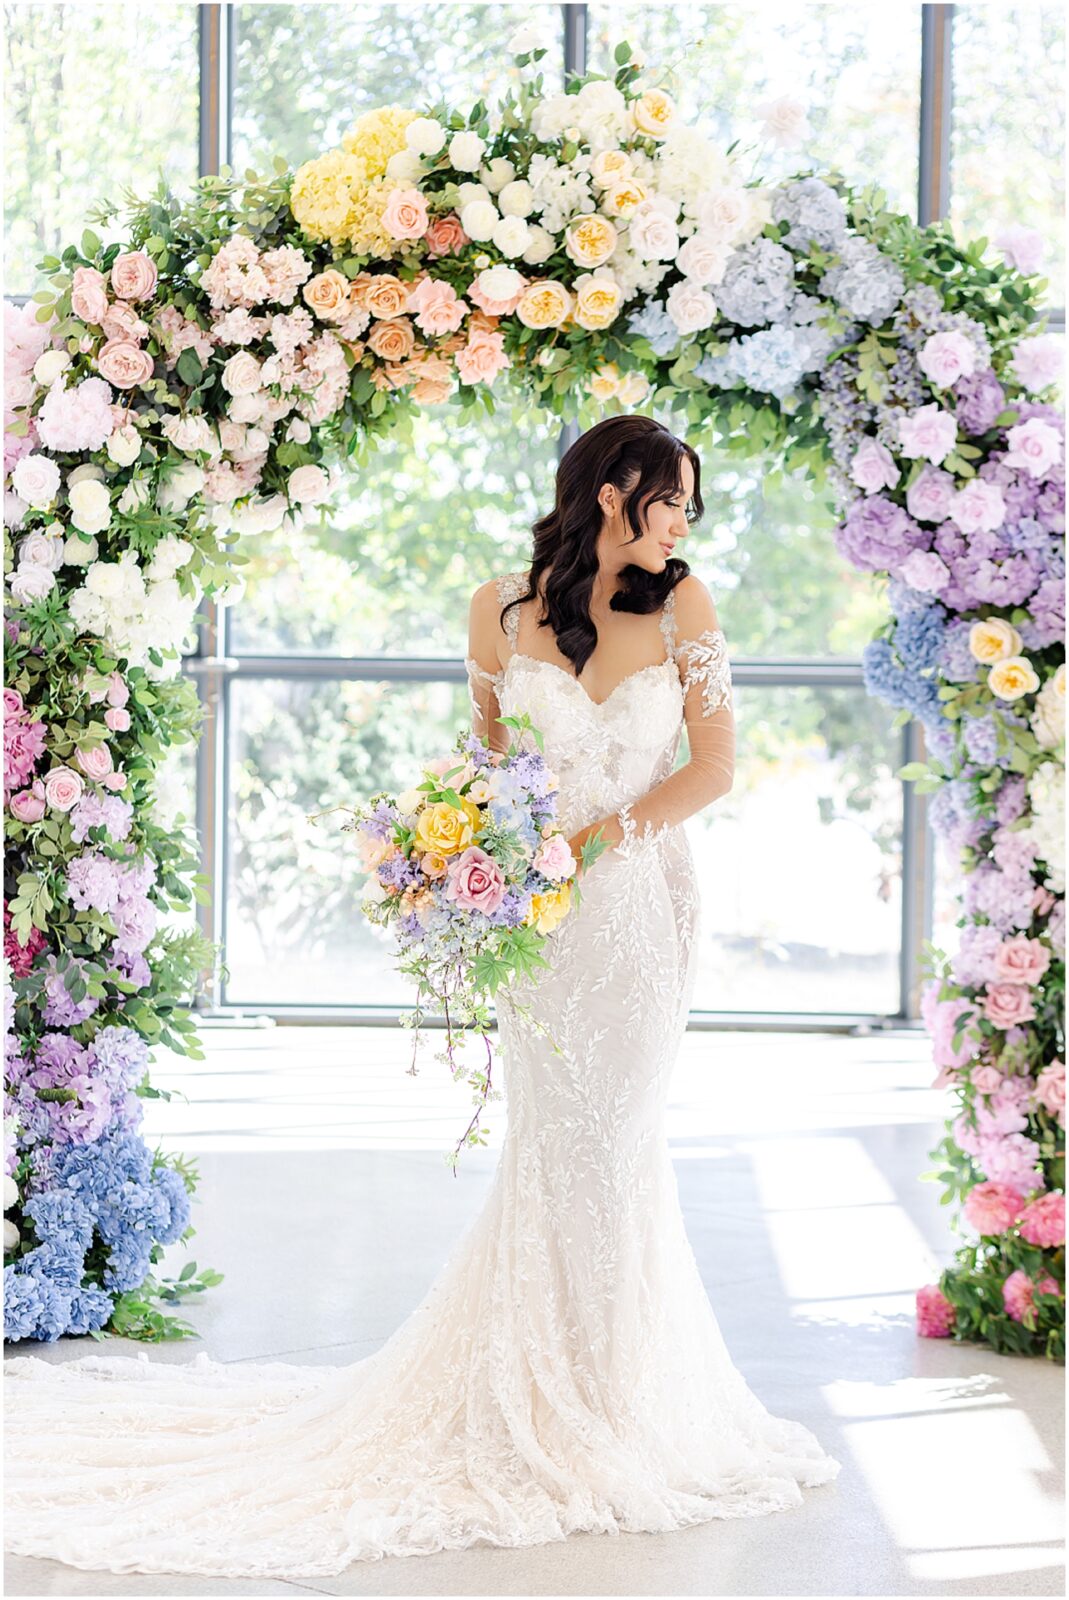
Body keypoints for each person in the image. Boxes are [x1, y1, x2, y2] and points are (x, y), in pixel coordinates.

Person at [3, 415, 841, 1580]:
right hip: (535, 928)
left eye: (691, 504)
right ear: (612, 494)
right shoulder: (497, 608)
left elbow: (714, 765)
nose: (684, 520)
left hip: (637, 910)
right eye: (671, 498)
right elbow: (488, 757)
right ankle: (539, 1395)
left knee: (621, 1137)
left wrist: (594, 842)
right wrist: (466, 851)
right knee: (554, 1141)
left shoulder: (684, 607)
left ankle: (619, 1397)